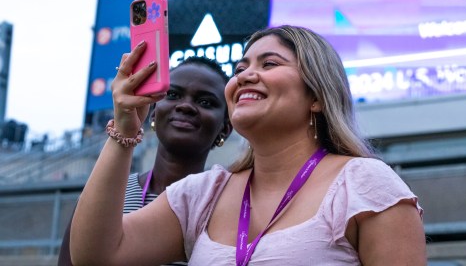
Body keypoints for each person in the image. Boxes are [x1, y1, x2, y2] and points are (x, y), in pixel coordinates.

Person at [70, 25, 427, 266]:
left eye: (269, 63)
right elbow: (96, 255)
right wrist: (124, 129)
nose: (244, 76)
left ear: (316, 96)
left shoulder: (364, 184)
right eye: (241, 68)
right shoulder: (202, 194)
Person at [59, 56, 232, 266]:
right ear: (153, 113)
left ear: (225, 128)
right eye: (173, 95)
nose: (185, 106)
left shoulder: (230, 206)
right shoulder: (104, 196)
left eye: (205, 102)